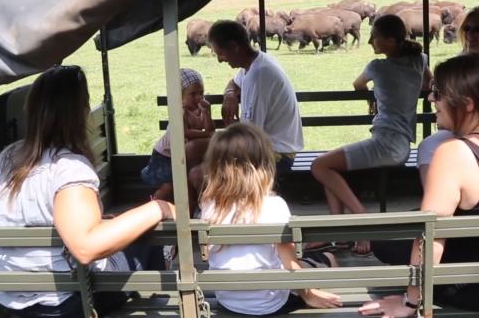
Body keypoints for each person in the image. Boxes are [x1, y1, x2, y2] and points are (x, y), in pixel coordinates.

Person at [360, 52, 479, 315]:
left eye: (439, 93)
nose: (431, 98)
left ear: (467, 104)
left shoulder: (453, 153)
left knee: (384, 239)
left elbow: (429, 237)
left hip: (474, 289)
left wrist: (410, 301)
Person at [0, 65, 176, 318]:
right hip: (65, 301)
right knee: (147, 239)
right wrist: (158, 208)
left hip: (7, 297)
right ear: (79, 113)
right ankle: (161, 305)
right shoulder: (69, 168)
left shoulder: (6, 158)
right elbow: (86, 247)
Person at [310, 14, 431, 256]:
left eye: (374, 37)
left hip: (384, 143)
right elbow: (428, 85)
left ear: (390, 40)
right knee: (328, 169)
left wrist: (372, 98)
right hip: (402, 145)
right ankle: (339, 234)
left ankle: (362, 221)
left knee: (319, 166)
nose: (370, 42)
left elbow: (357, 85)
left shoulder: (377, 67)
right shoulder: (420, 59)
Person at [199, 122, 342, 315]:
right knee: (328, 258)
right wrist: (309, 295)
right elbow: (290, 263)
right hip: (270, 305)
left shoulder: (209, 206)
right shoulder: (274, 206)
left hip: (228, 301)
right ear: (264, 164)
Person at [417, 5, 479, 183]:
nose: (471, 34)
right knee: (428, 146)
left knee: (437, 147)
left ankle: (441, 201)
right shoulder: (463, 58)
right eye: (467, 28)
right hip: (464, 126)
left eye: (478, 29)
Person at [206, 19, 303, 179]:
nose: (220, 60)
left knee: (202, 172)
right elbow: (235, 82)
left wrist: (228, 130)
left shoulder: (258, 76)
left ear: (233, 47)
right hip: (270, 147)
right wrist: (230, 94)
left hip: (275, 156)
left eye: (220, 53)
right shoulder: (256, 62)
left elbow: (249, 135)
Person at [141, 68, 214, 210]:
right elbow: (184, 132)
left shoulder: (200, 109)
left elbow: (210, 129)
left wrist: (206, 113)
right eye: (193, 94)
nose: (198, 97)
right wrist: (206, 135)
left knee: (187, 179)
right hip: (165, 156)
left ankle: (192, 205)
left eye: (201, 93)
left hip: (181, 154)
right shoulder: (180, 111)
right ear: (180, 96)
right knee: (170, 185)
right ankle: (154, 205)